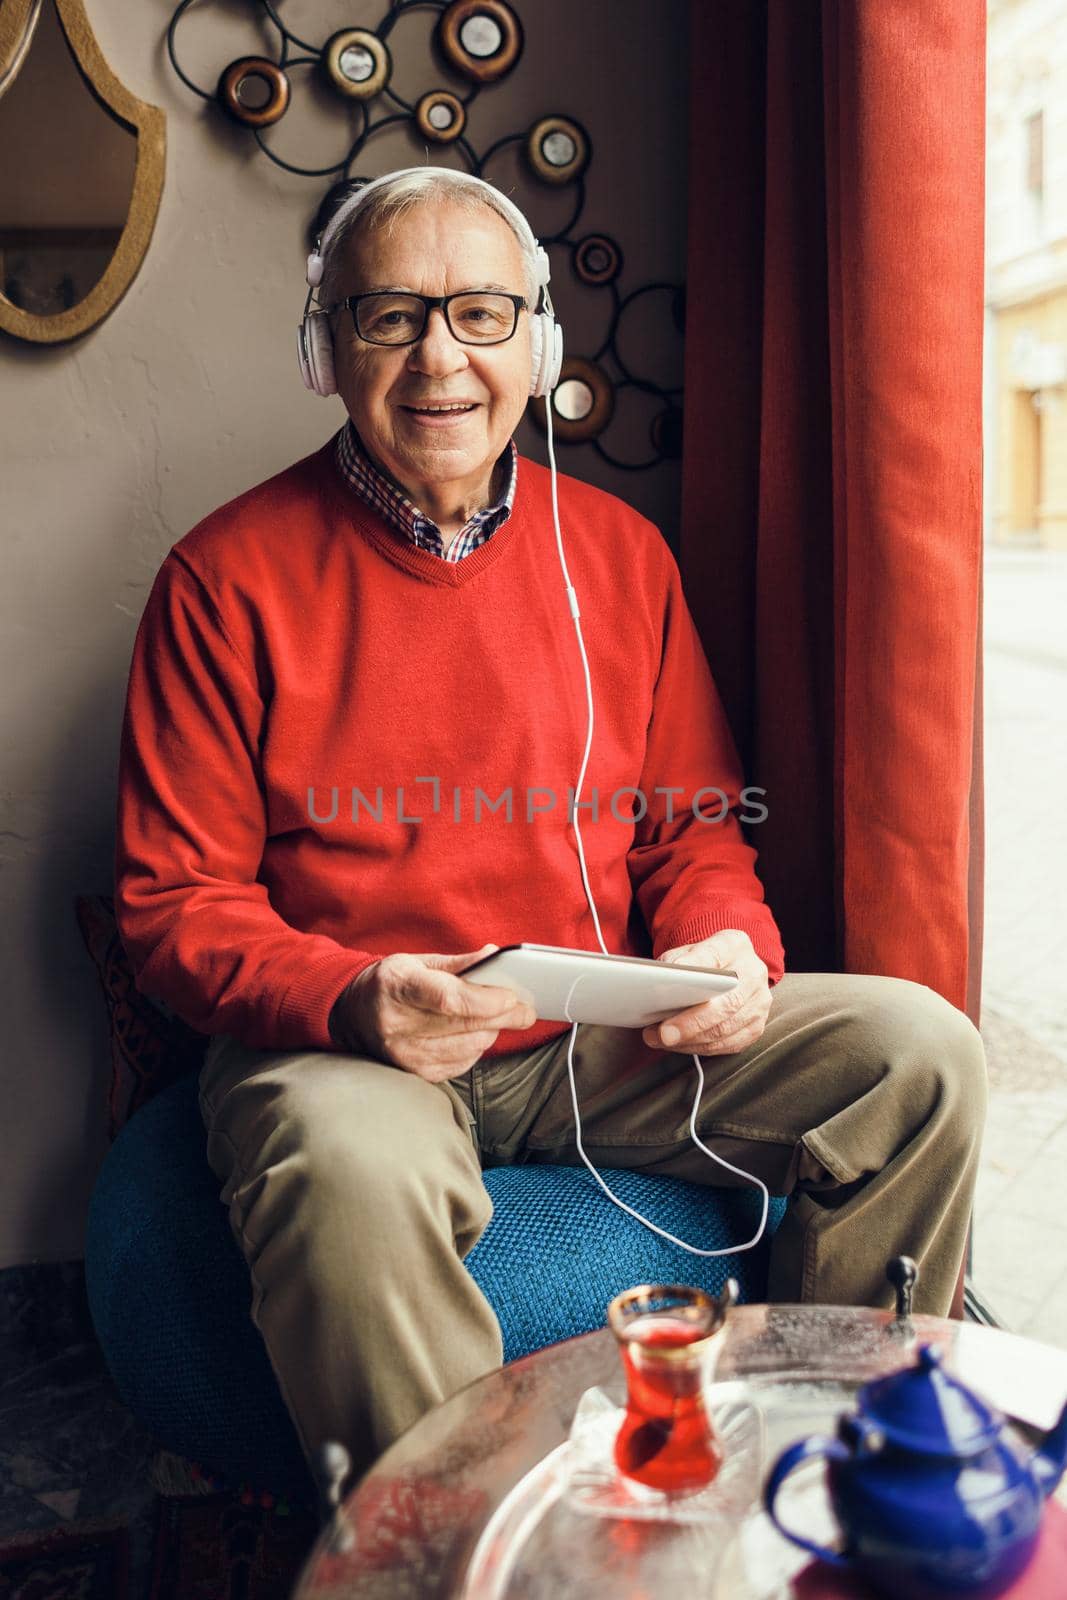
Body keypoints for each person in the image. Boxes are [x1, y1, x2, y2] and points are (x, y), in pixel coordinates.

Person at [114, 166, 987, 1483]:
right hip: (359, 1036)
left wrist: (724, 946)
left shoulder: (624, 556)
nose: (438, 357)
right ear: (324, 348)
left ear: (539, 344)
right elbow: (172, 905)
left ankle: (830, 1470)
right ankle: (447, 1555)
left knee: (920, 1054)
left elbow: (692, 823)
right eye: (390, 315)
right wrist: (358, 998)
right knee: (345, 1176)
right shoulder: (221, 581)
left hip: (596, 1028)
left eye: (479, 314)